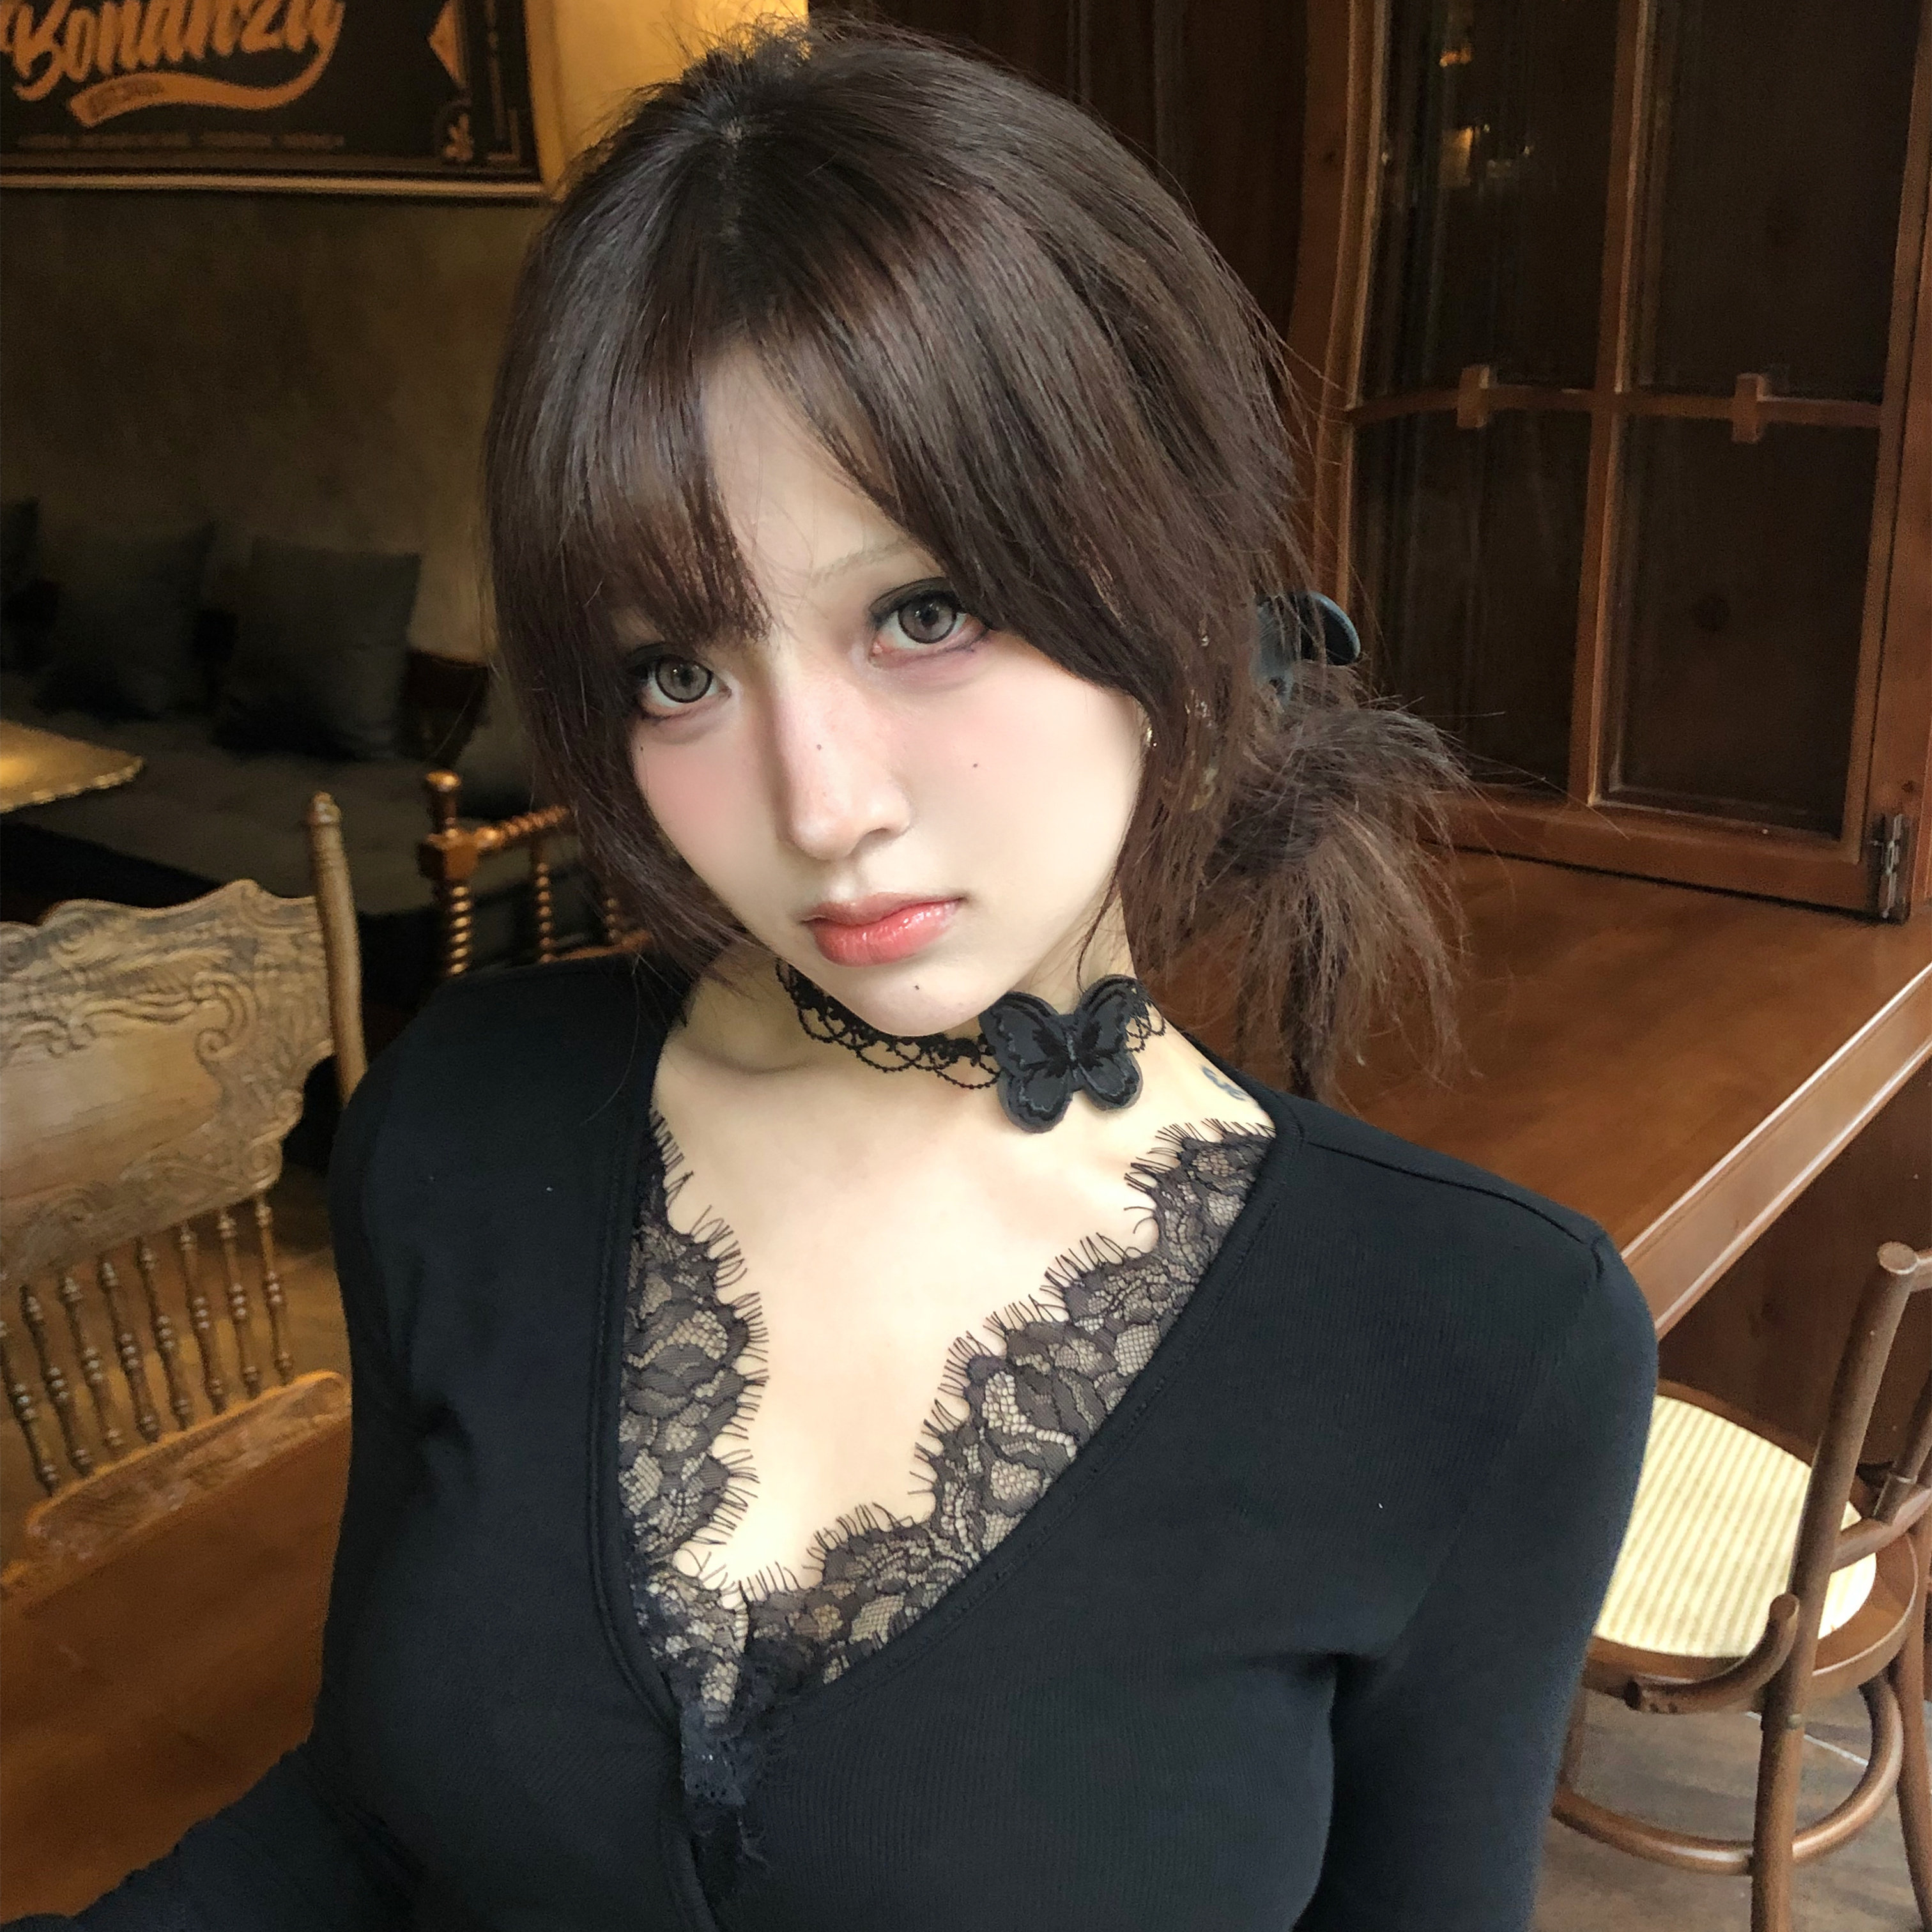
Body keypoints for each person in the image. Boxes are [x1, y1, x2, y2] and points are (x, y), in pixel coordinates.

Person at [20, 20, 1655, 1931]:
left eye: (923, 612)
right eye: (678, 671)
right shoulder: (464, 1124)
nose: (818, 806)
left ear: (1175, 565)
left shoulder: (1479, 1339)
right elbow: (374, 1819)